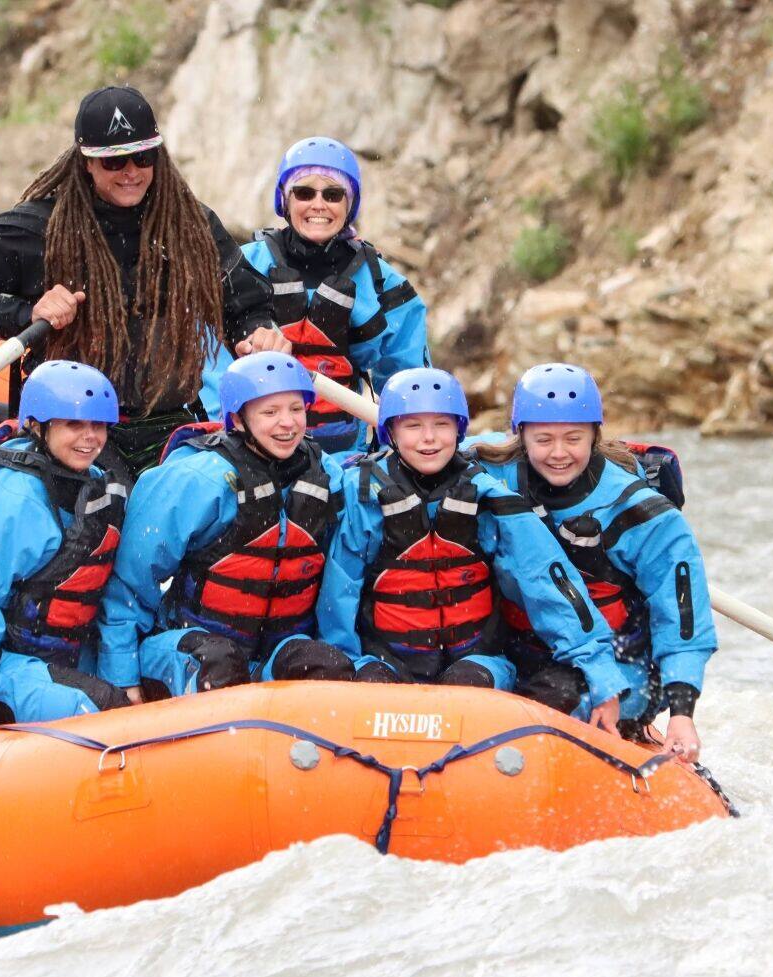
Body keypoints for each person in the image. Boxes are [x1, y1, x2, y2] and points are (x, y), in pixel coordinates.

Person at [0, 85, 274, 473]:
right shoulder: (36, 229)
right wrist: (25, 313)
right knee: (99, 508)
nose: (130, 172)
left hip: (168, 423)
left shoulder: (191, 227)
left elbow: (246, 305)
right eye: (114, 162)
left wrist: (257, 331)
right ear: (85, 162)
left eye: (143, 157)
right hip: (69, 427)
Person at [320, 368, 629, 728]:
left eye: (441, 425)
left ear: (459, 429)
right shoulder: (363, 495)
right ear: (391, 431)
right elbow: (339, 591)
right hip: (385, 659)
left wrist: (600, 674)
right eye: (413, 426)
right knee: (374, 687)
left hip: (478, 662)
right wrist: (344, 665)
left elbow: (547, 580)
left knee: (464, 689)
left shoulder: (489, 496)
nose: (429, 439)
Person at [471, 363, 716, 761]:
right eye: (543, 439)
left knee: (554, 700)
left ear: (595, 435)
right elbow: (424, 446)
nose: (559, 453)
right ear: (519, 437)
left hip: (619, 666)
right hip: (517, 652)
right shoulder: (488, 468)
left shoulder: (640, 511)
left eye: (574, 438)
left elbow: (682, 614)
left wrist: (682, 715)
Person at [98, 351, 365, 699]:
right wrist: (123, 677)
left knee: (328, 664)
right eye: (270, 412)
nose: (287, 423)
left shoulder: (327, 475)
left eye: (296, 409)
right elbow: (129, 586)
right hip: (189, 646)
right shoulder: (195, 479)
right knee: (220, 664)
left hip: (274, 652)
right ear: (238, 420)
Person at [0, 360, 134, 730]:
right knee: (107, 709)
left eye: (98, 426)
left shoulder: (94, 483)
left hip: (61, 651)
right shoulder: (11, 494)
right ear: (37, 425)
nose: (90, 437)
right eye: (73, 424)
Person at [234, 137, 429, 455]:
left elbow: (410, 381)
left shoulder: (382, 281)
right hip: (251, 448)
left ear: (350, 204)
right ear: (285, 199)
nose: (318, 204)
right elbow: (209, 363)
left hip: (343, 450)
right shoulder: (243, 266)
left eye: (333, 194)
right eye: (304, 192)